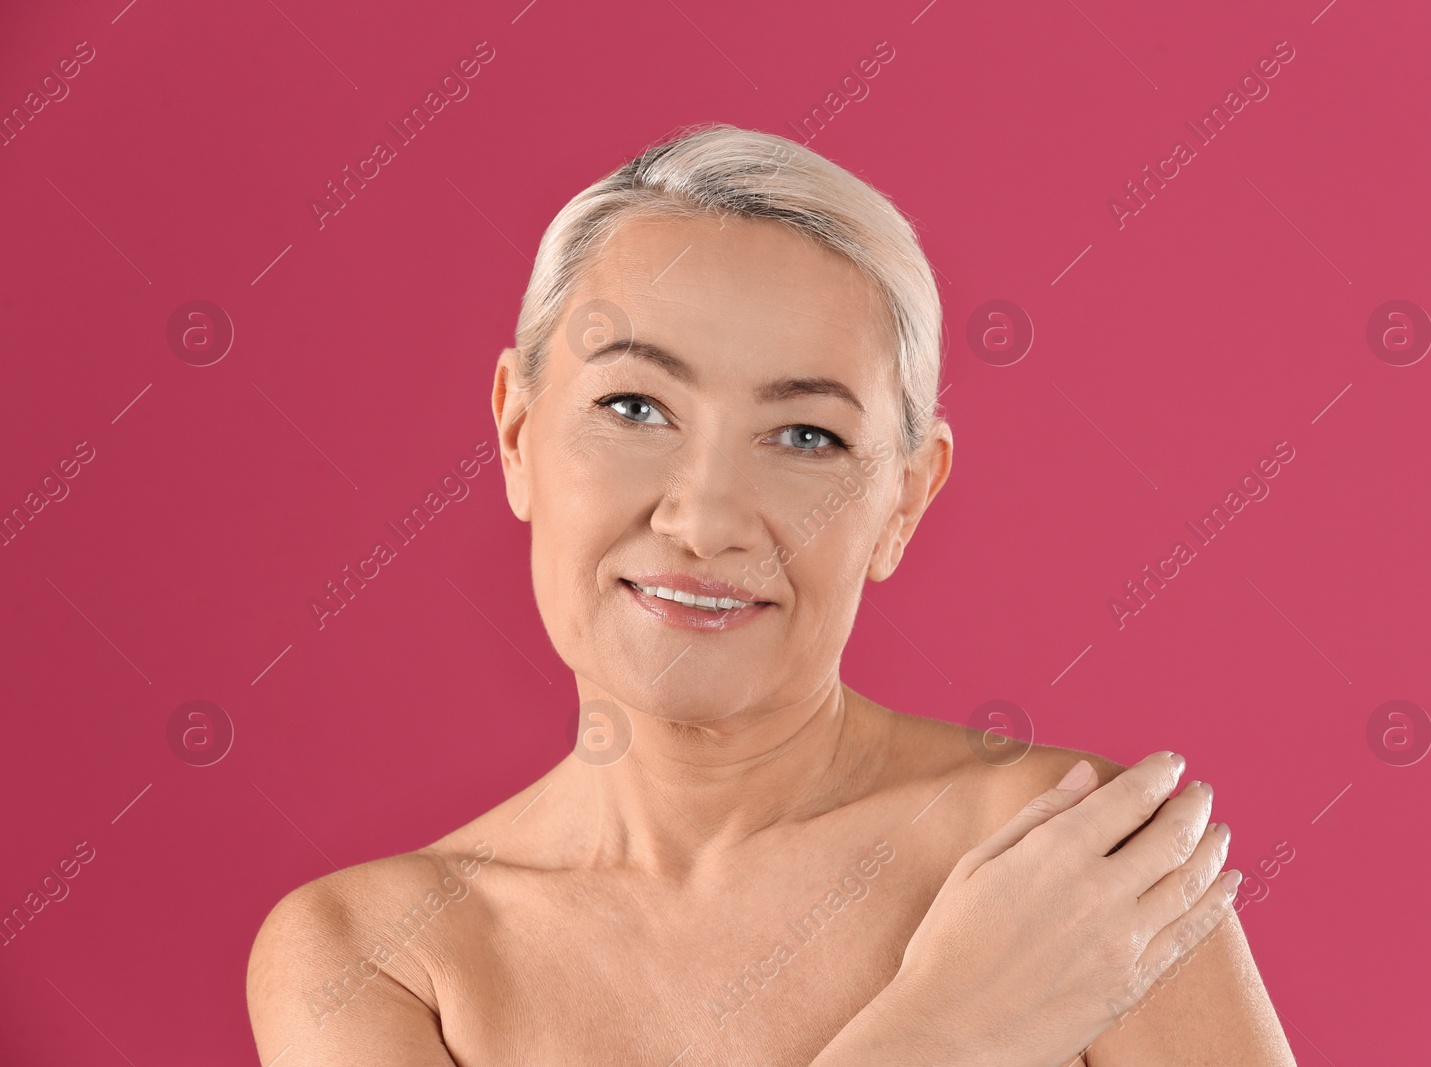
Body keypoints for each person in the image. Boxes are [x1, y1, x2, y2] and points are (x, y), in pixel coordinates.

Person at [247, 122, 1297, 1065]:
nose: (704, 518)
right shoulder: (376, 957)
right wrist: (952, 1029)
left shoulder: (1074, 861)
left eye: (806, 435)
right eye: (631, 404)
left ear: (903, 499)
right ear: (518, 433)